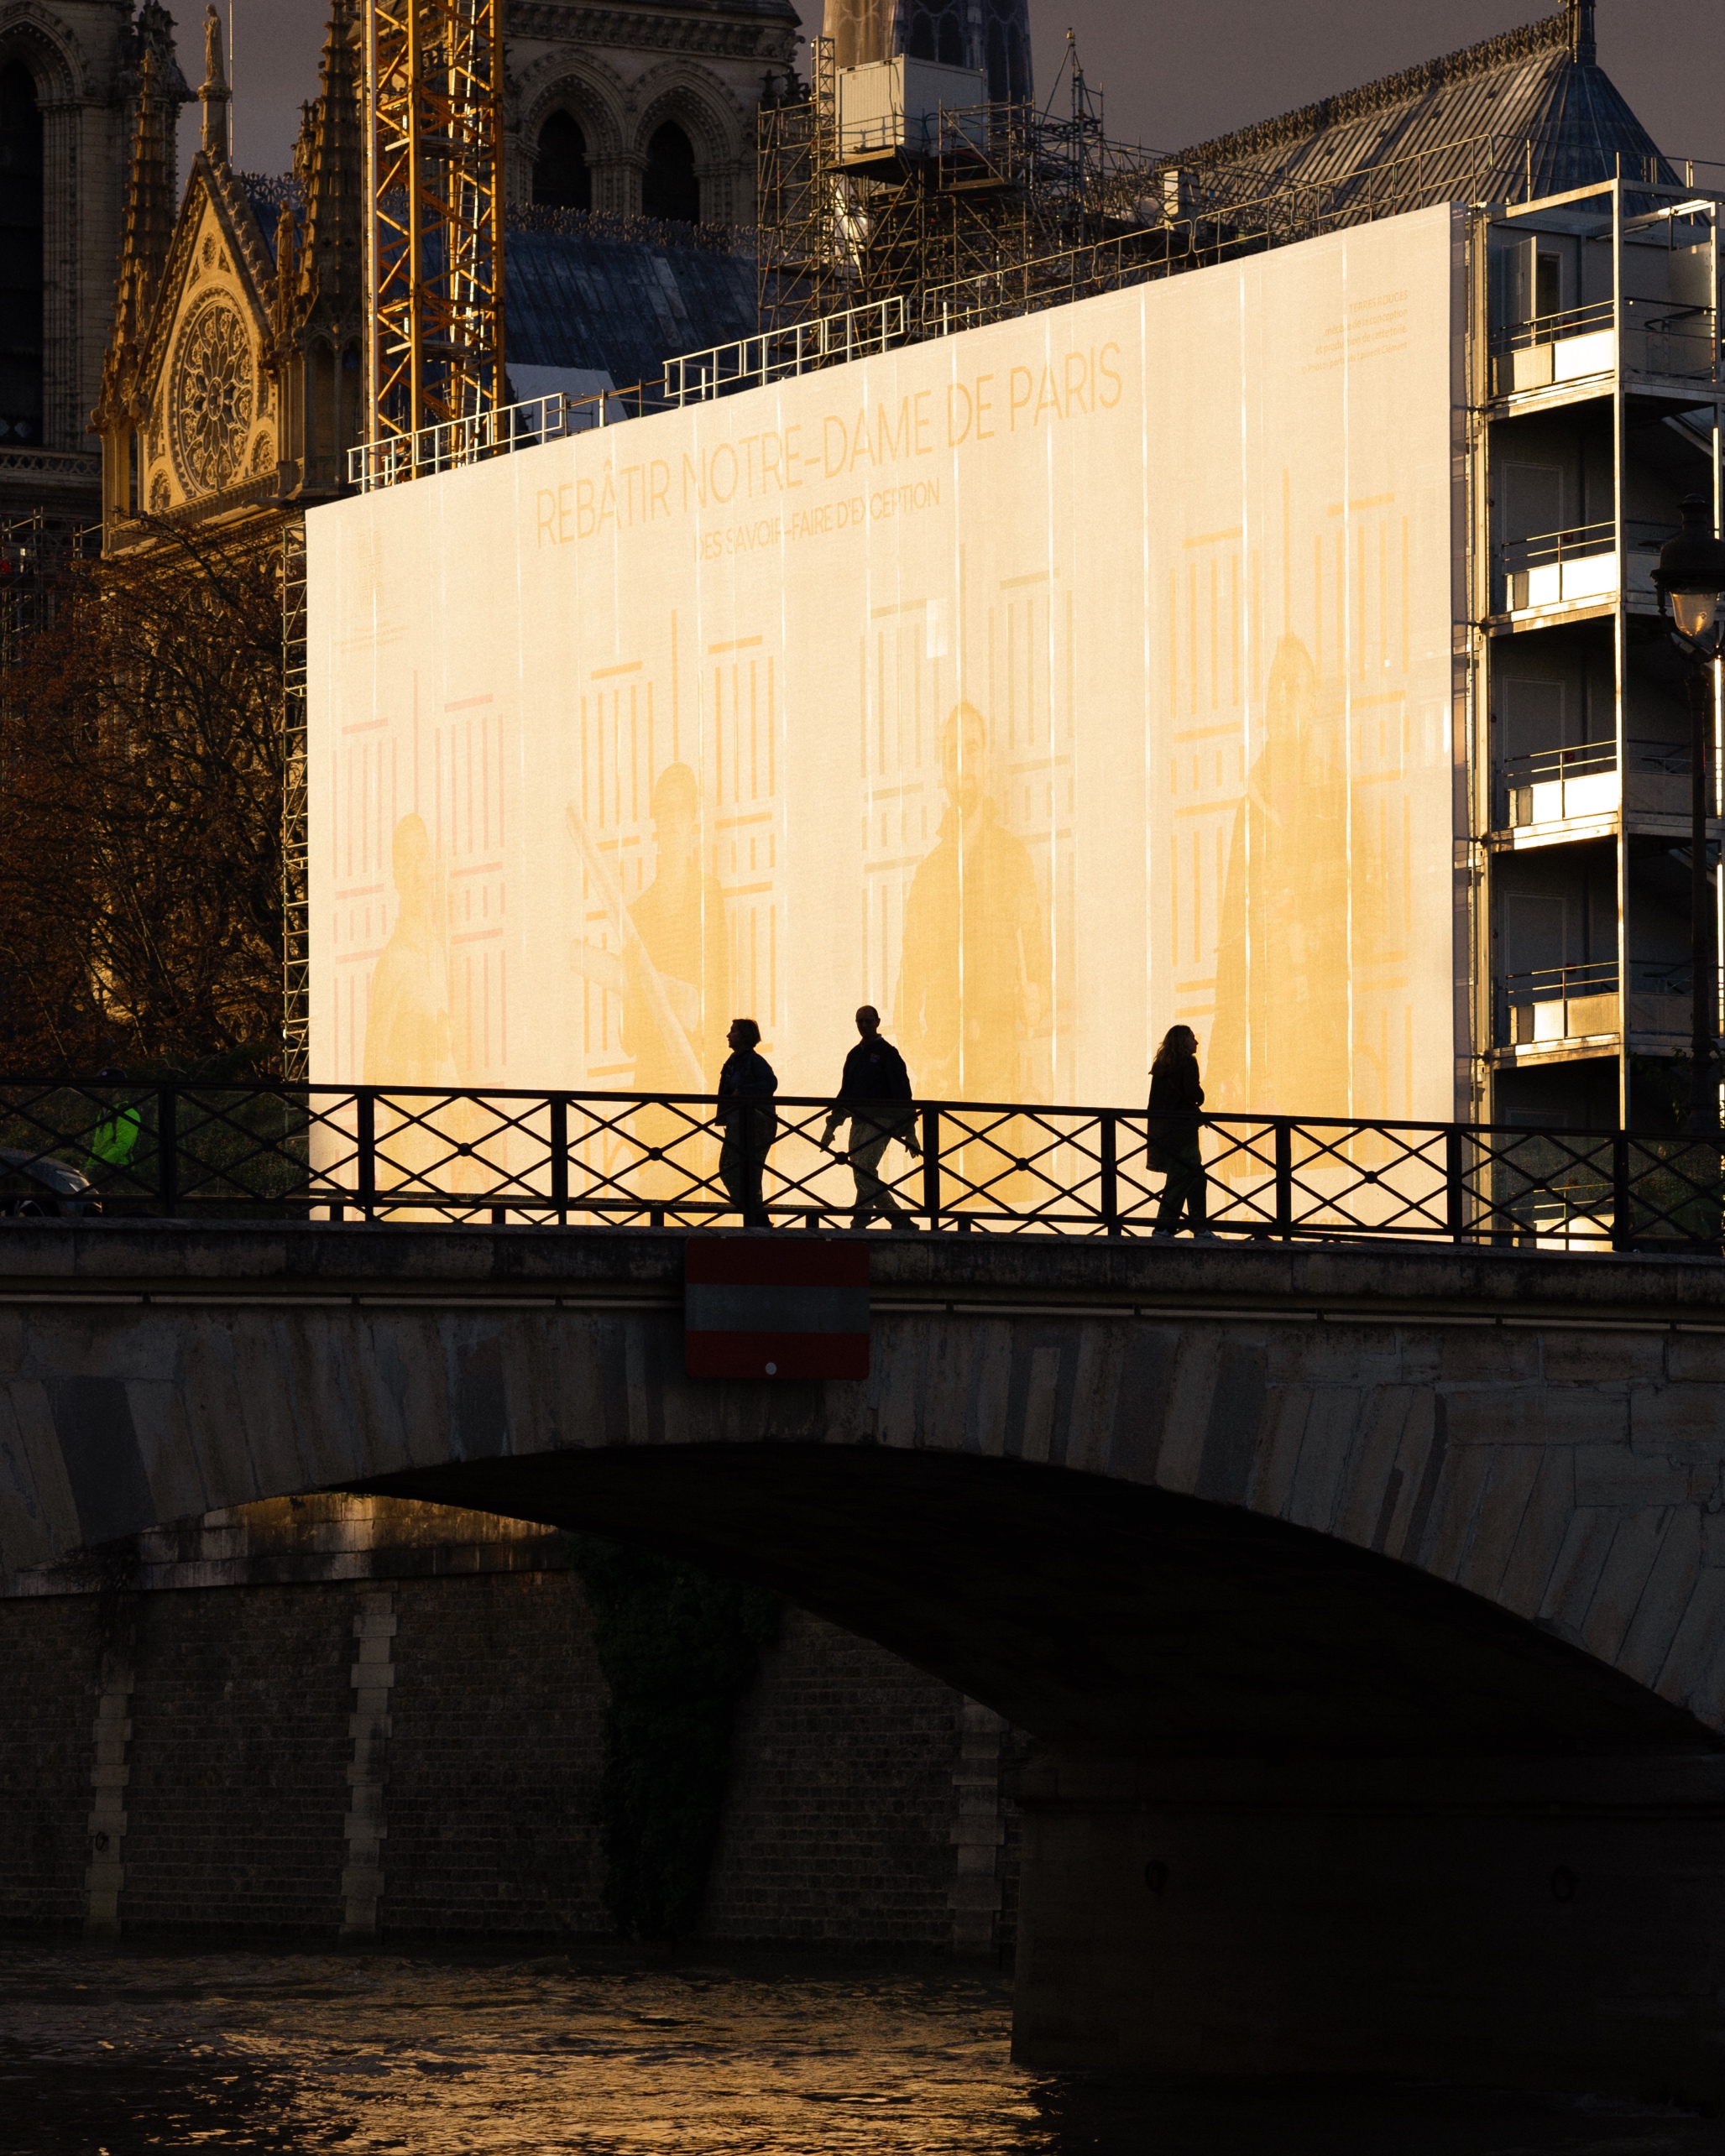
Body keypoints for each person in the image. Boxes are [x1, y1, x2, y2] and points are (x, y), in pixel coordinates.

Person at [820, 1005, 922, 1230]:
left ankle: (898, 1220)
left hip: (882, 1121)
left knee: (864, 1169)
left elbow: (903, 1093)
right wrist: (832, 1126)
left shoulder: (888, 1054)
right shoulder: (855, 1055)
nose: (863, 1025)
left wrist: (911, 1132)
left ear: (877, 1022)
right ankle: (862, 1219)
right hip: (859, 1122)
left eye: (867, 1021)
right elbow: (845, 1094)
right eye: (860, 1021)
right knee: (863, 1171)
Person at [1147, 1026, 1214, 1240]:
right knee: (1184, 1177)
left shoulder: (1161, 1066)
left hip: (1165, 1129)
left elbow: (1156, 1101)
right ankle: (1165, 1227)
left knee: (1194, 1177)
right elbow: (1193, 1093)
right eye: (1192, 1038)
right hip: (1183, 1130)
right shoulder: (1188, 1062)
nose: (1196, 1042)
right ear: (1184, 1041)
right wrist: (1200, 1096)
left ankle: (1199, 1227)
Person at [715, 1018, 777, 1228]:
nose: (728, 1035)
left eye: (733, 1031)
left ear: (744, 1036)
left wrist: (743, 1093)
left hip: (755, 1126)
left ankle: (755, 1217)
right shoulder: (735, 1061)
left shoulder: (753, 1061)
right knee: (732, 1168)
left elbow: (770, 1083)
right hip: (739, 1124)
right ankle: (755, 1215)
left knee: (744, 1171)